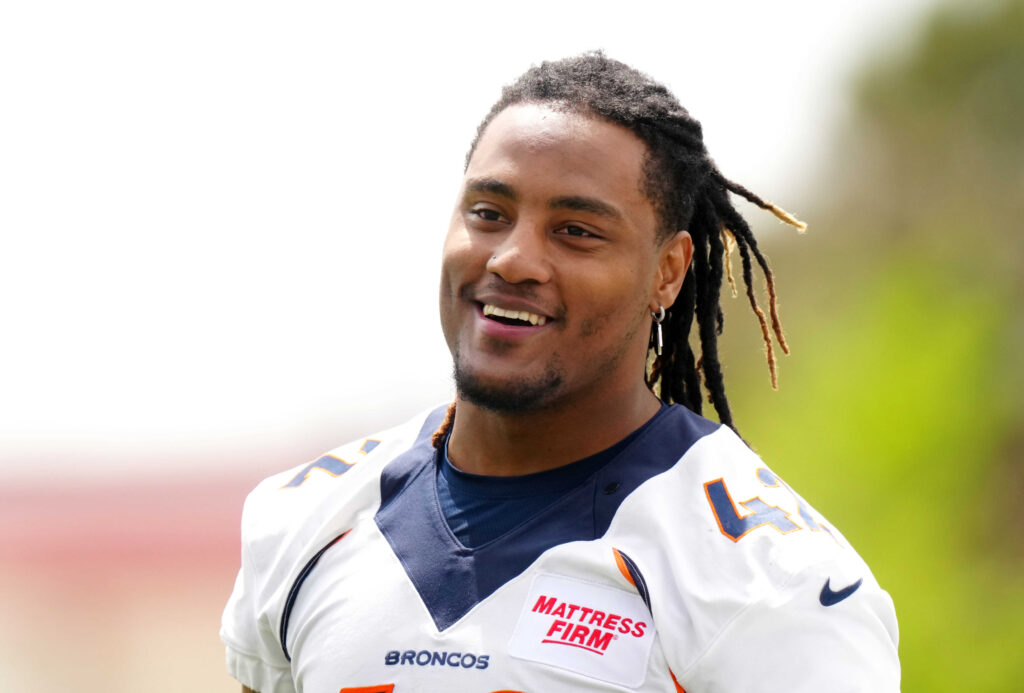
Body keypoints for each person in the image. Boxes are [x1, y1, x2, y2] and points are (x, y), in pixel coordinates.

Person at [221, 53, 900, 693]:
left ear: (667, 270)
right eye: (488, 214)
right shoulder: (306, 517)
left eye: (575, 230)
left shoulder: (771, 577)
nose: (513, 258)